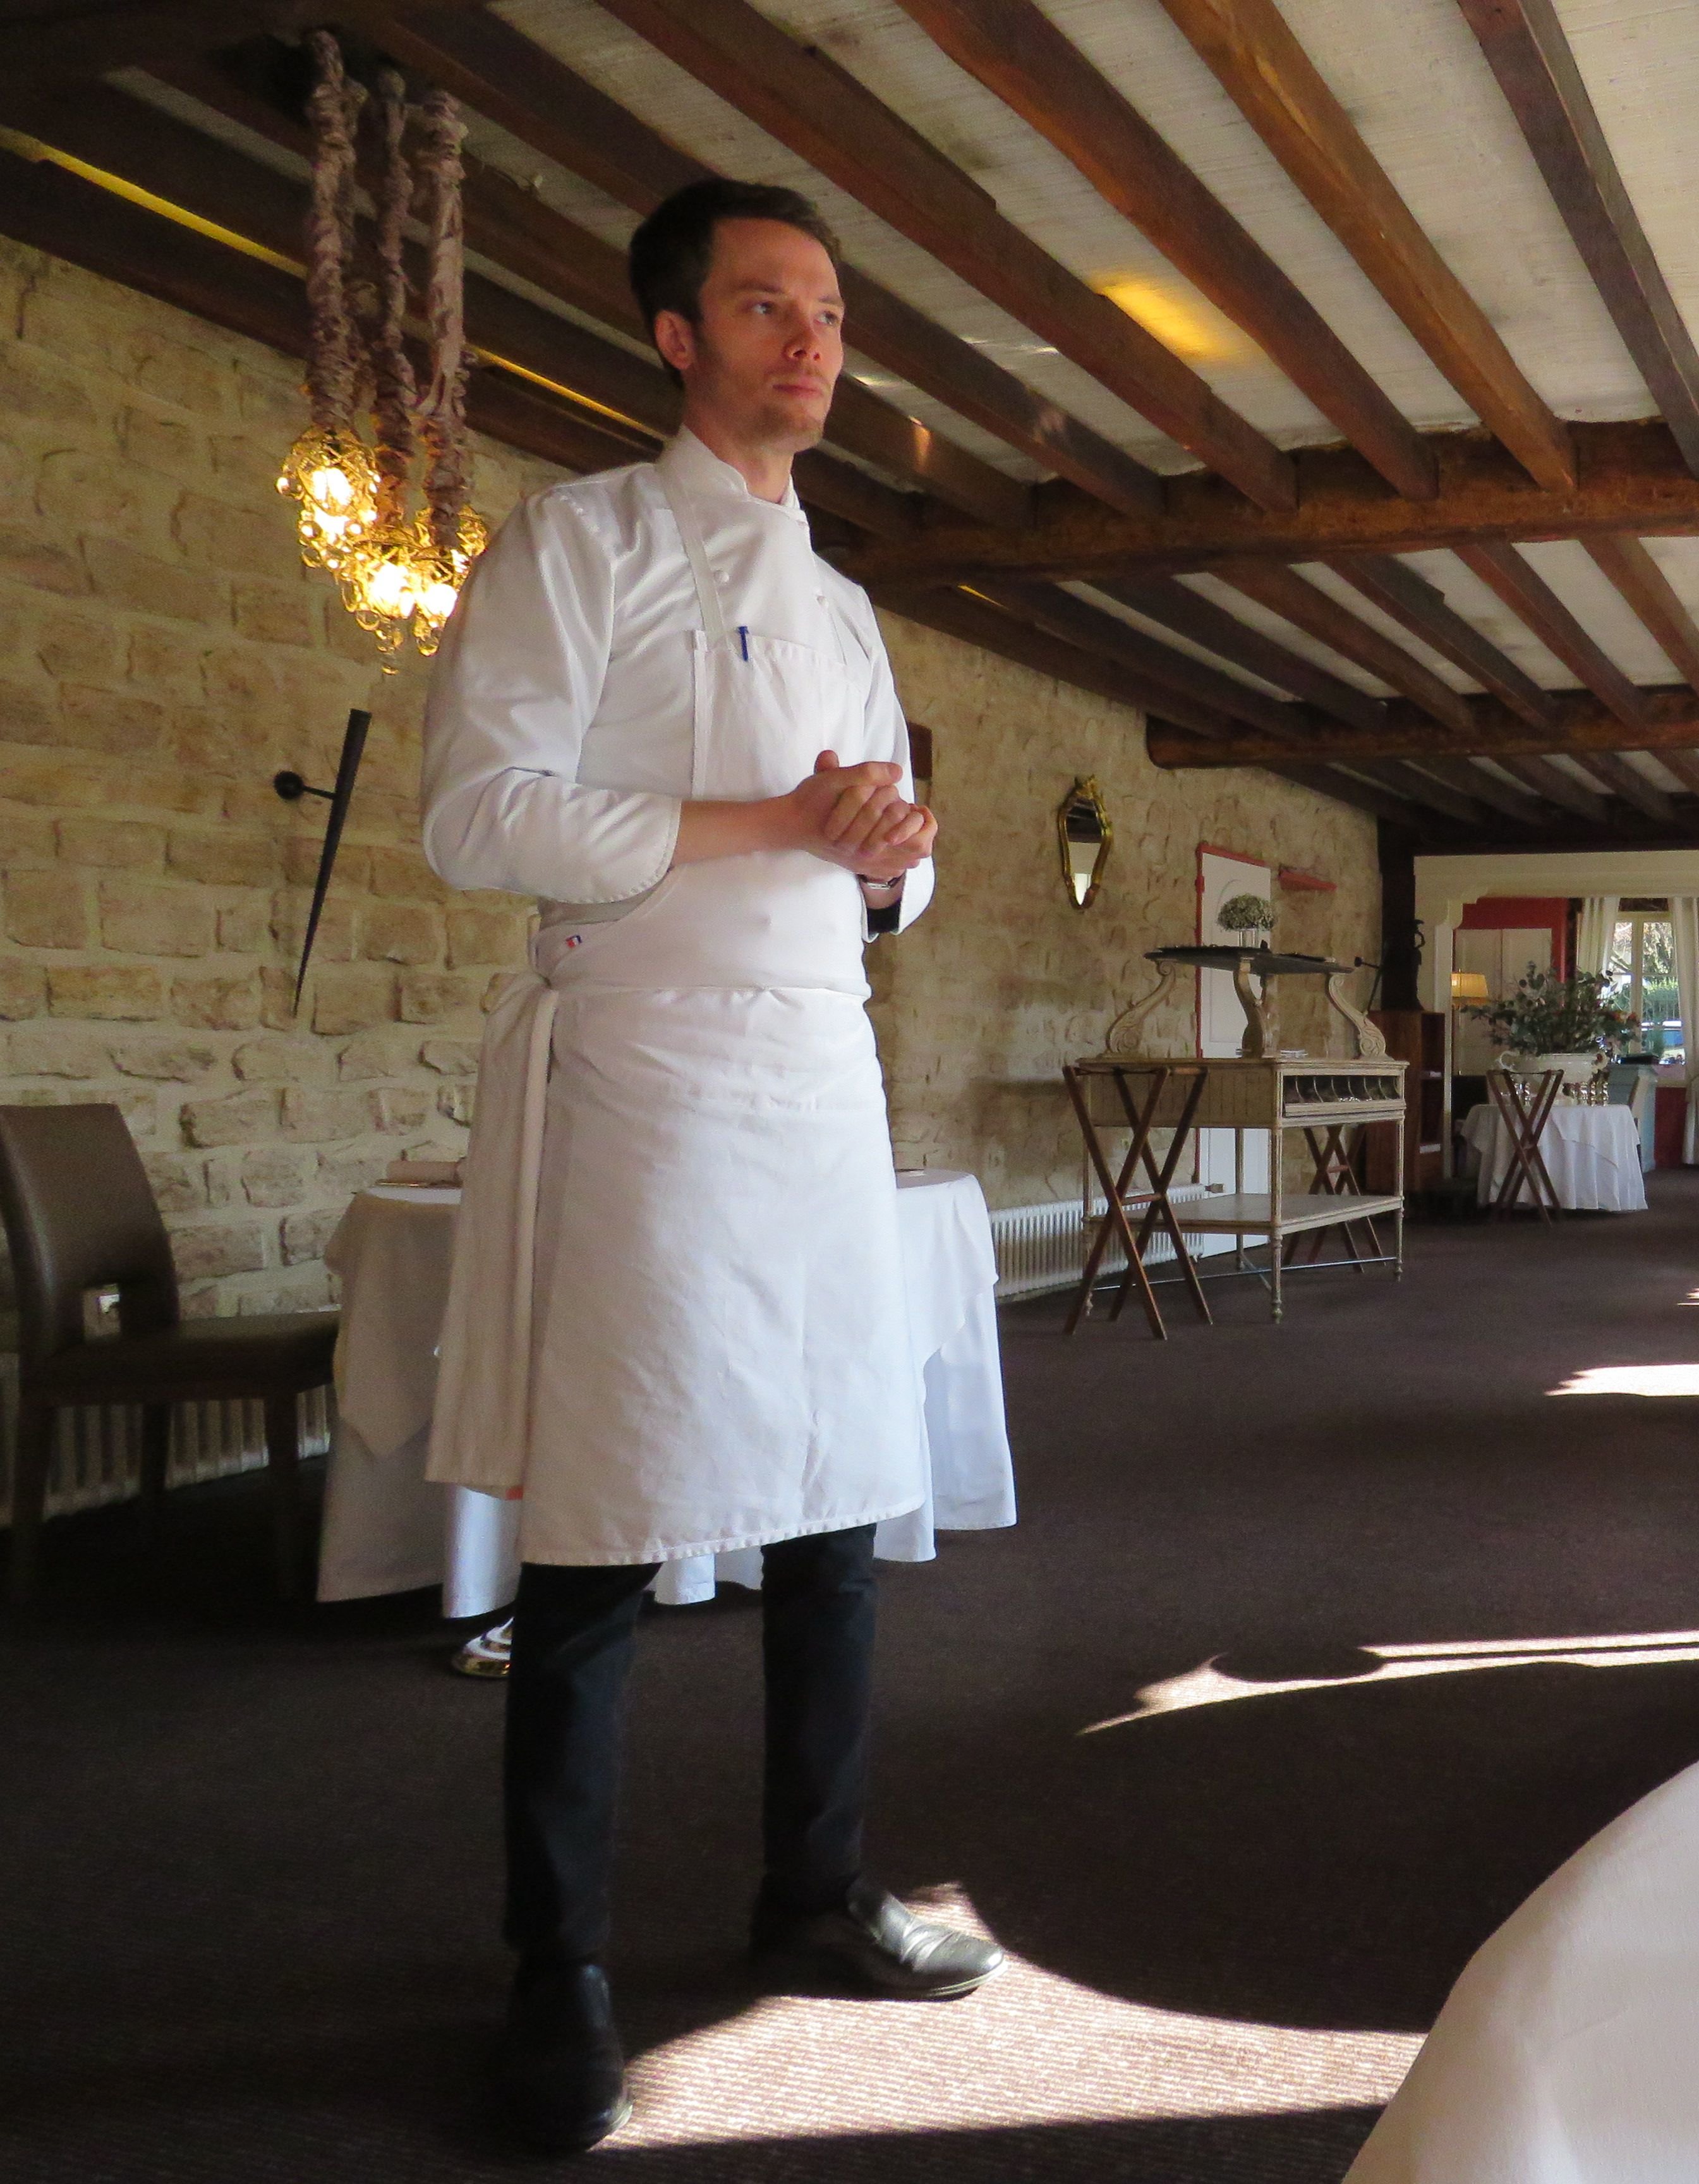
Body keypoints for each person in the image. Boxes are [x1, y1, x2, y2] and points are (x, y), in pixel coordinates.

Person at [420, 178, 1000, 2157]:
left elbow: (887, 885)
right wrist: (778, 818)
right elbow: (480, 814)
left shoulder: (844, 605)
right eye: (765, 308)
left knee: (838, 1513)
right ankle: (554, 1971)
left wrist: (896, 850)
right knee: (600, 1539)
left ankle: (815, 1893)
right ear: (677, 338)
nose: (810, 342)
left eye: (828, 311)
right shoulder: (576, 542)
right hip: (652, 1074)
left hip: (818, 1079)